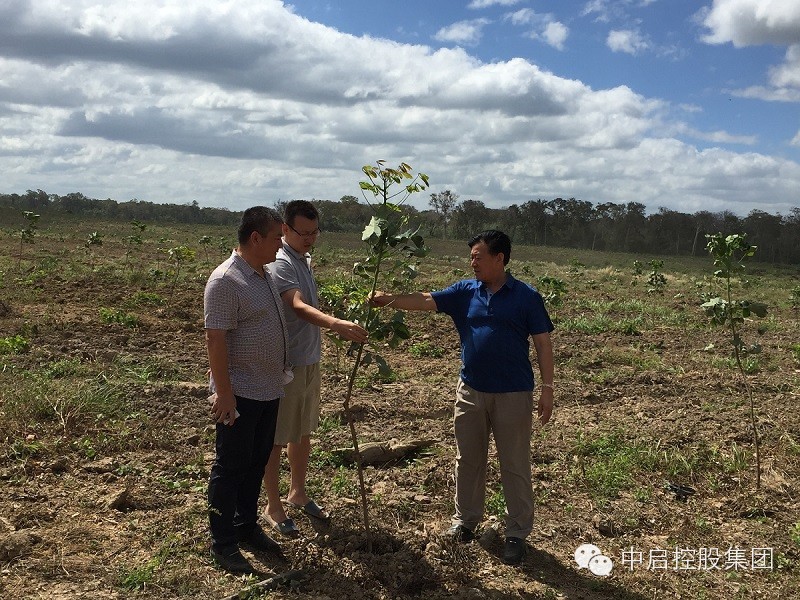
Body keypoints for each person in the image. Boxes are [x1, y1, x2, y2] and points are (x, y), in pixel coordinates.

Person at [370, 230, 554, 565]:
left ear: (499, 258)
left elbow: (543, 343)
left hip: (513, 394)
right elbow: (426, 300)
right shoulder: (465, 291)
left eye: (478, 257)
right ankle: (465, 521)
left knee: (514, 463)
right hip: (470, 391)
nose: (473, 263)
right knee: (468, 459)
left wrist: (548, 389)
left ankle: (516, 532)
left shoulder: (526, 297)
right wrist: (389, 299)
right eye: (471, 257)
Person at [262, 200, 368, 537]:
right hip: (288, 364)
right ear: (285, 229)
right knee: (277, 437)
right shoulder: (281, 262)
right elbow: (296, 305)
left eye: (314, 232)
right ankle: (273, 505)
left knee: (303, 431)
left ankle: (297, 491)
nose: (309, 239)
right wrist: (334, 323)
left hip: (309, 359)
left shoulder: (302, 258)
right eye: (303, 233)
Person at [204, 206, 288, 574]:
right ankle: (223, 543)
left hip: (268, 390)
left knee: (255, 463)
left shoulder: (263, 274)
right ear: (255, 238)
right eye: (276, 238)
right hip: (240, 393)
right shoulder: (226, 280)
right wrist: (224, 394)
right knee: (231, 468)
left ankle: (245, 526)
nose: (280, 245)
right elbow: (215, 339)